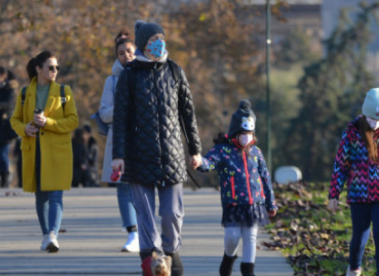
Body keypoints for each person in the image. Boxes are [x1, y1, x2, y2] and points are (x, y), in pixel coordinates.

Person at [112, 20, 202, 276]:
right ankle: (151, 261)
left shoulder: (175, 71)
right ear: (143, 45)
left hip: (171, 155)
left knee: (172, 212)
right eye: (153, 40)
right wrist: (118, 156)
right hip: (138, 155)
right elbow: (120, 119)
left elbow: (188, 114)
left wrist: (195, 150)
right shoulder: (129, 75)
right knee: (146, 215)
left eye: (161, 38)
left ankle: (171, 252)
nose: (158, 43)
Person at [328, 88, 379, 276]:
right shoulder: (351, 134)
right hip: (359, 193)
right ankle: (354, 269)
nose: (375, 124)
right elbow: (340, 165)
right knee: (359, 235)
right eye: (372, 120)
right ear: (365, 114)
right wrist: (334, 194)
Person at [197, 100, 277, 276]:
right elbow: (209, 163)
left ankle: (248, 271)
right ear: (235, 132)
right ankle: (228, 257)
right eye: (243, 132)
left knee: (250, 237)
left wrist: (271, 204)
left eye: (249, 133)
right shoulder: (223, 150)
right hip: (233, 204)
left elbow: (265, 178)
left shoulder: (256, 152)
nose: (246, 136)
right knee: (232, 236)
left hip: (254, 203)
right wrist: (199, 162)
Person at [10, 51, 79, 253]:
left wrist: (48, 123)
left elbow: (73, 121)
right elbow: (15, 119)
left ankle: (52, 235)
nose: (54, 71)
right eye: (50, 67)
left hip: (58, 151)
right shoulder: (24, 93)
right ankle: (45, 234)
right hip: (35, 150)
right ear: (38, 69)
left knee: (56, 194)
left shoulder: (64, 92)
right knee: (41, 196)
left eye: (57, 67)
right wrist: (25, 129)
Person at [98, 31, 140, 252]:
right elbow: (104, 113)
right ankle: (132, 232)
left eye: (130, 51)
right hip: (120, 139)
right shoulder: (112, 81)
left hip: (143, 139)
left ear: (137, 52)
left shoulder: (146, 75)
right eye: (121, 53)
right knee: (123, 186)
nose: (126, 56)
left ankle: (146, 230)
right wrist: (123, 110)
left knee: (142, 186)